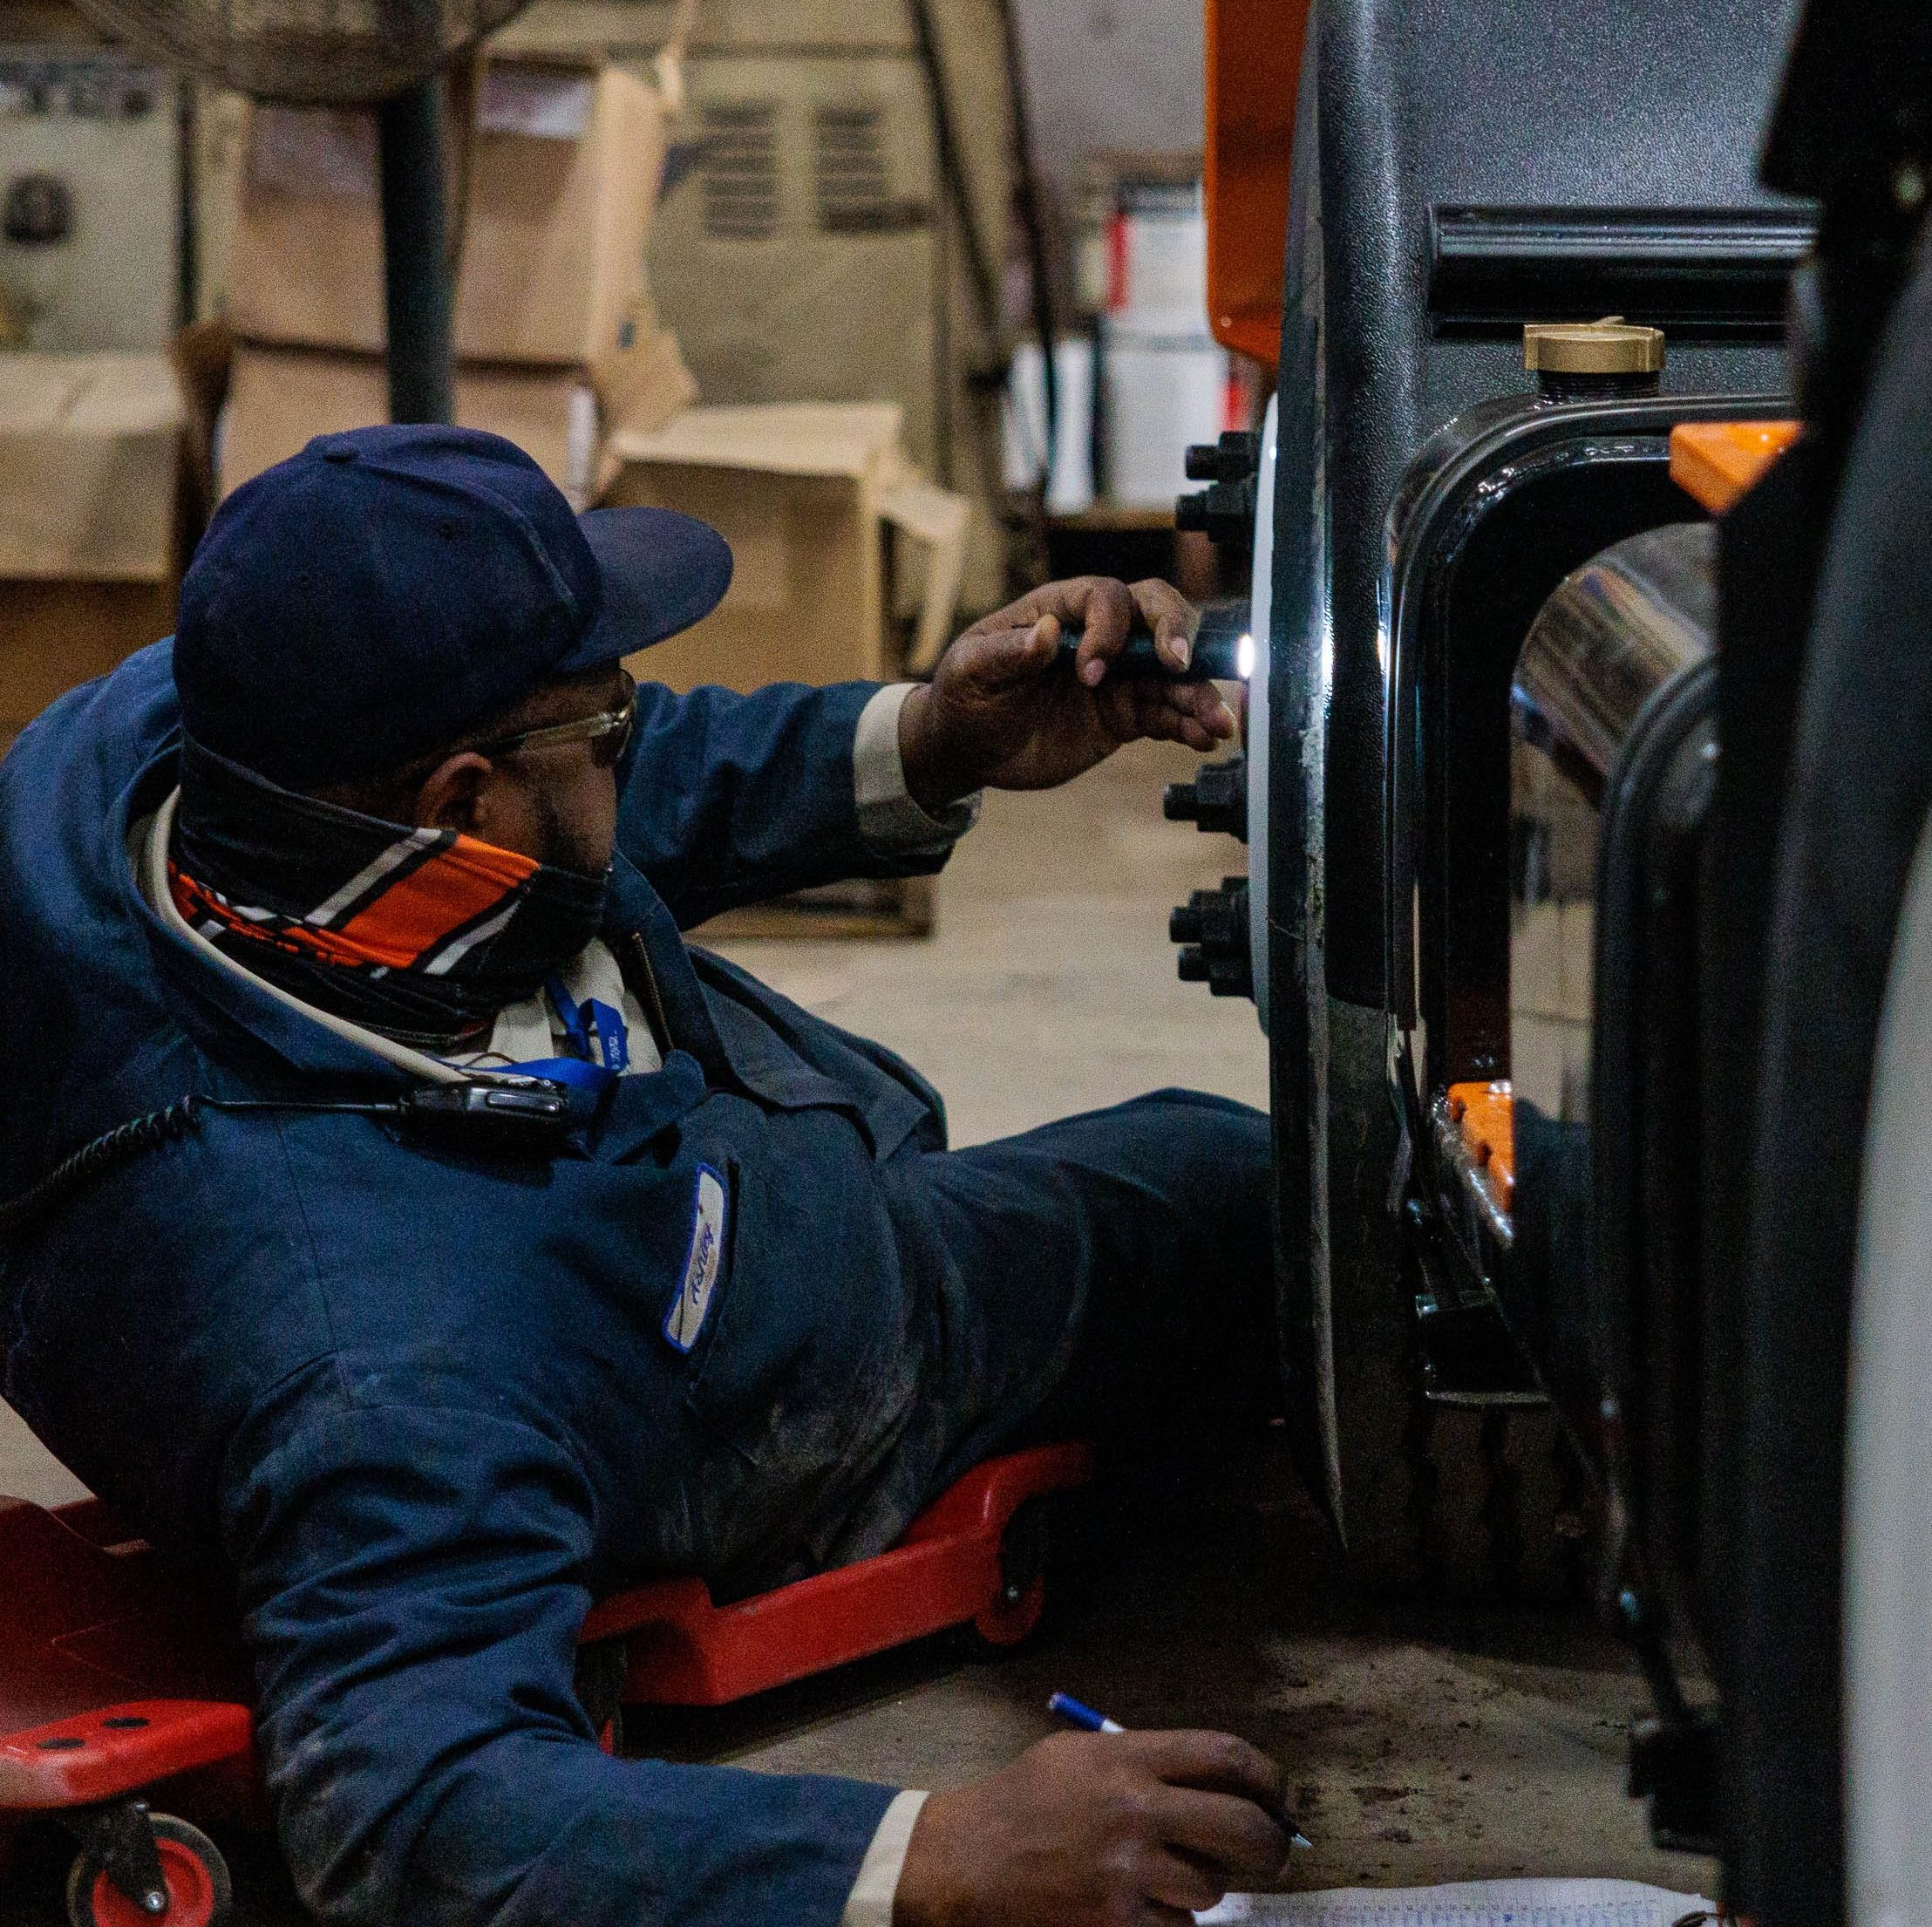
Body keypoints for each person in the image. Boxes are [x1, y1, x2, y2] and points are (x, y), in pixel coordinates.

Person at [0, 426, 1289, 1927]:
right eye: (605, 727)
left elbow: (599, 785)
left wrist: (934, 734)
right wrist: (929, 1858)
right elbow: (416, 1805)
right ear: (464, 814)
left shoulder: (173, 758)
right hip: (770, 1343)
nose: (634, 733)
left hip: (678, 1130)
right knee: (1241, 1191)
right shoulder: (387, 1361)